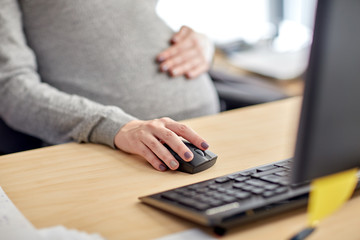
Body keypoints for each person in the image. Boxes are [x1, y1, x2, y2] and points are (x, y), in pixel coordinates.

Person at [0, 0, 220, 171]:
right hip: (117, 155)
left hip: (215, 129)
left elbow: (129, 23)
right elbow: (11, 88)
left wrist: (203, 44)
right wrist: (114, 127)